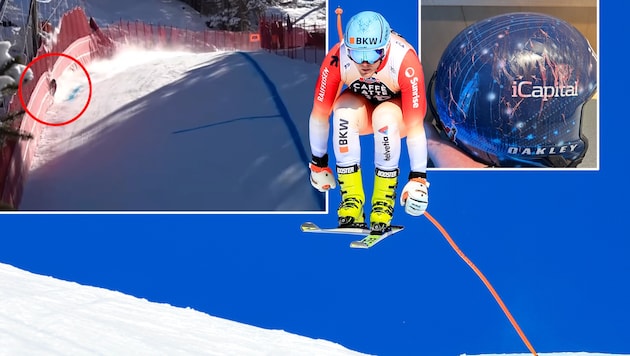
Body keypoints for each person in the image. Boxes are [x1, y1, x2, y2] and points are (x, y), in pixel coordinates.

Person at [307, 10, 430, 232]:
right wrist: (318, 163)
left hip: (396, 114)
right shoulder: (338, 56)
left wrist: (418, 179)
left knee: (384, 118)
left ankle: (383, 203)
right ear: (347, 49)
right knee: (342, 114)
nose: (364, 63)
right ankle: (351, 202)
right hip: (361, 110)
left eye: (374, 54)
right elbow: (319, 113)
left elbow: (414, 127)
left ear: (386, 47)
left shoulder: (404, 61)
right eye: (356, 53)